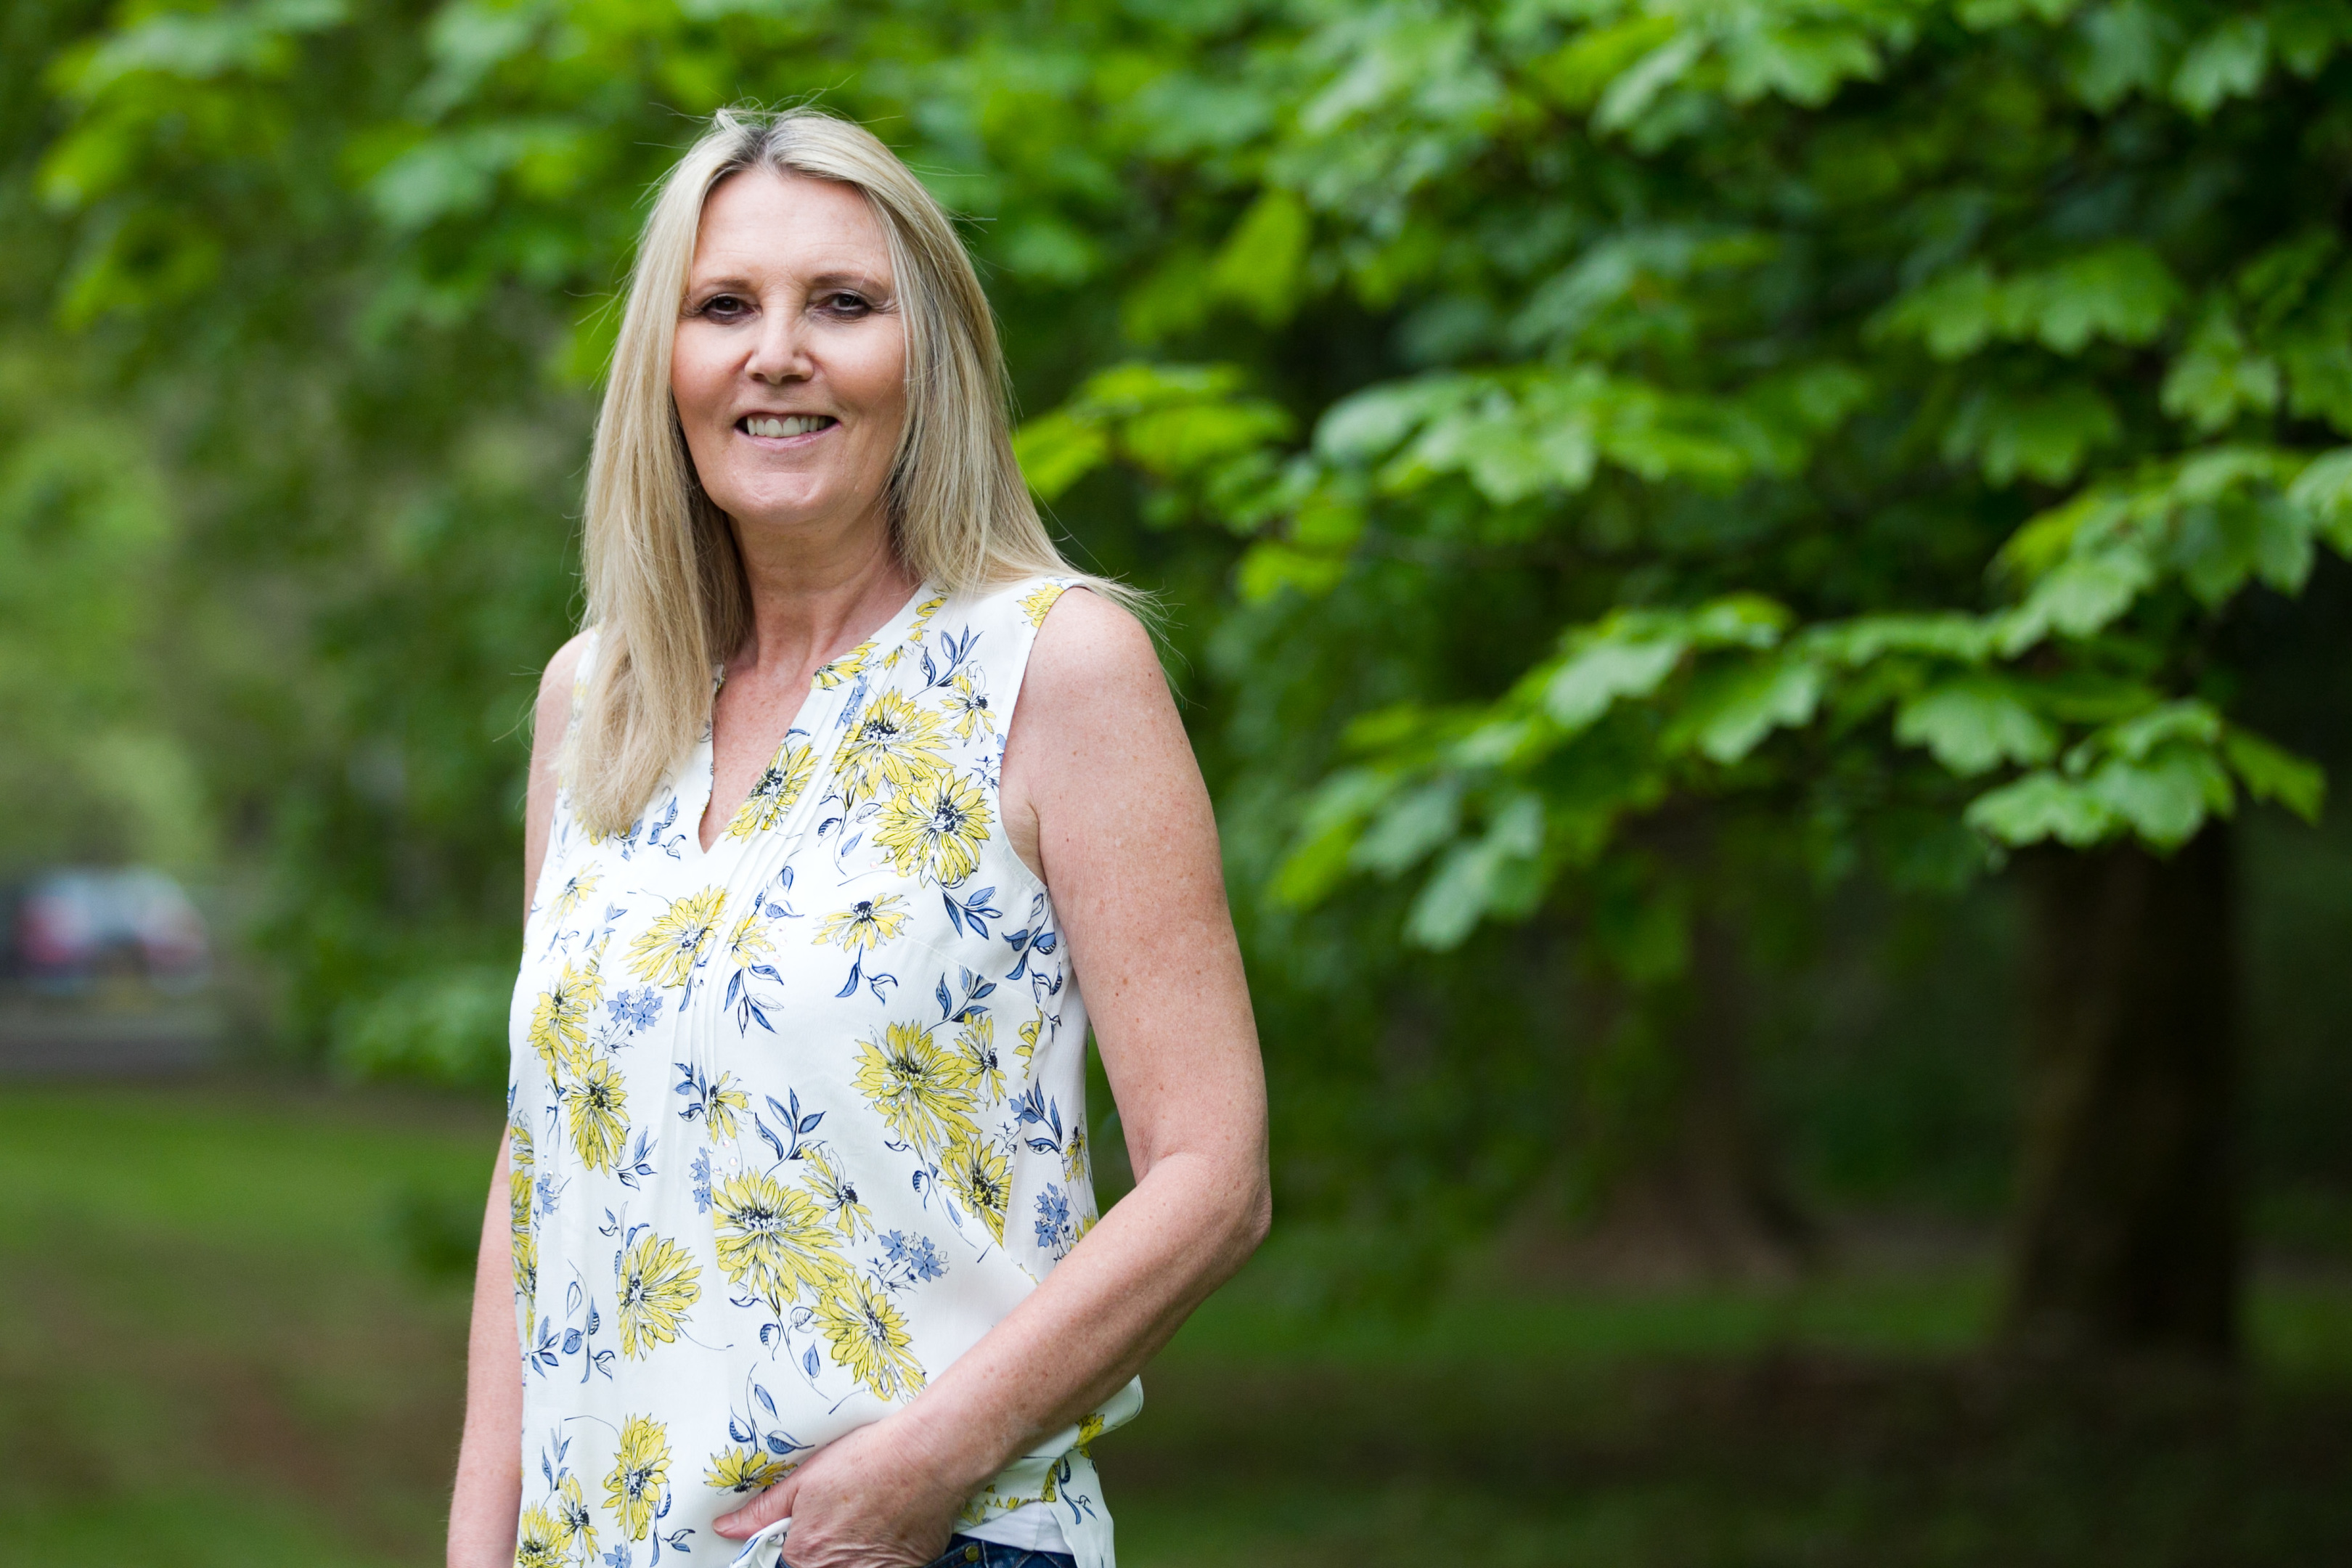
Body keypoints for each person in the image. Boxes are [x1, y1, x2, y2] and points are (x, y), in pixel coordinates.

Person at [444, 107, 1270, 1568]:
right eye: (723, 308)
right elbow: (542, 1167)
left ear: (926, 359)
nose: (778, 352)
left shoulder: (1054, 670)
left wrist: (924, 1467)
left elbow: (1215, 1175)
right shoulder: (598, 706)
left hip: (919, 1543)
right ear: (668, 369)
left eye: (842, 303)